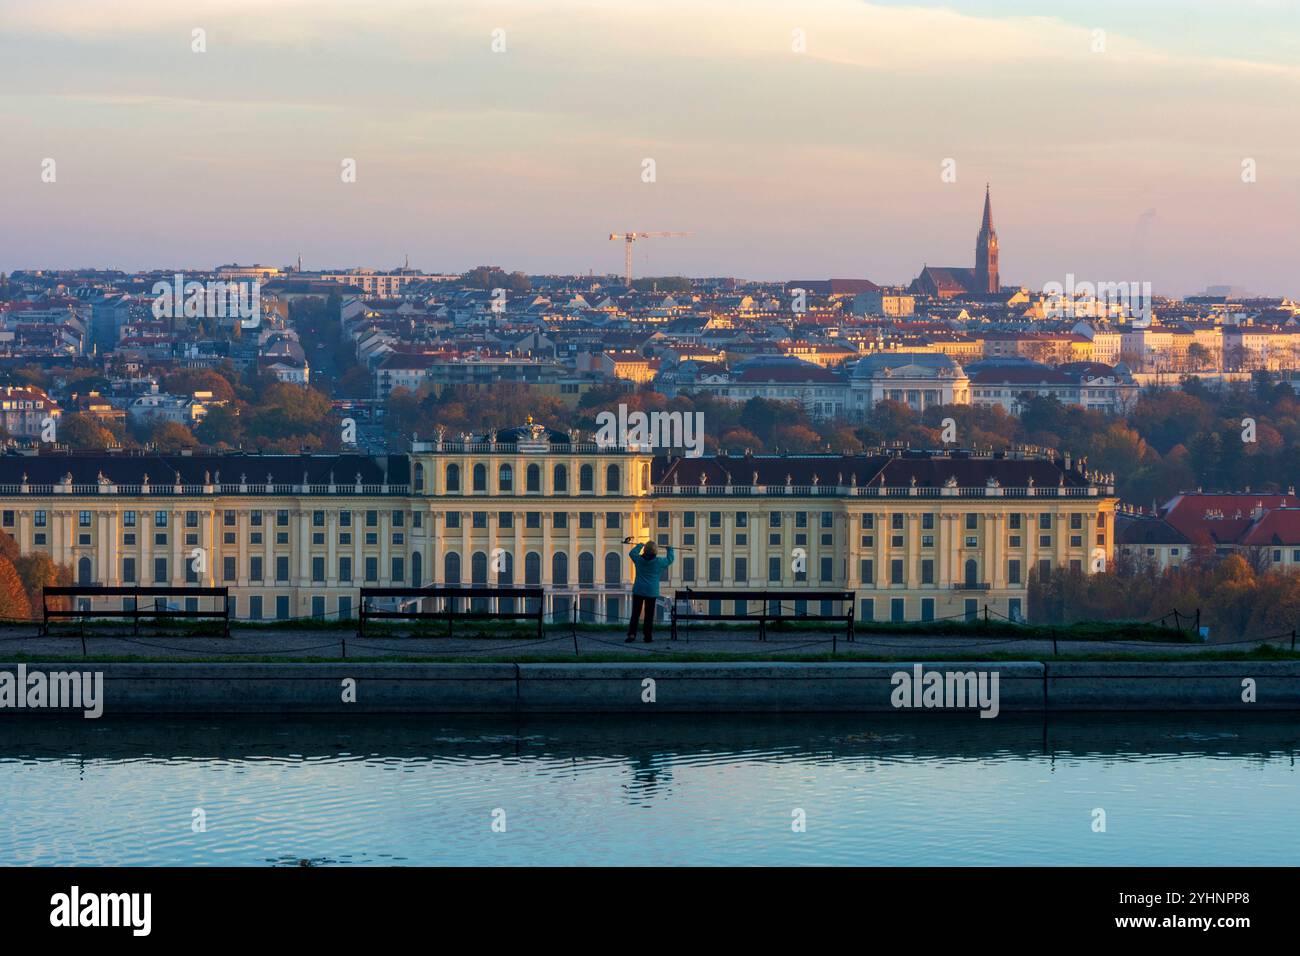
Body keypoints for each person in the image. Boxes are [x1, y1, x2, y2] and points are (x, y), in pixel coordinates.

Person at [624, 536, 674, 643]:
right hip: (651, 591)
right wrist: (669, 549)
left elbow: (632, 553)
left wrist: (640, 546)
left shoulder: (638, 560)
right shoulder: (659, 562)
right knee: (649, 615)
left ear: (645, 550)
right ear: (655, 551)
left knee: (635, 614)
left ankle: (632, 634)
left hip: (639, 589)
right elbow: (670, 559)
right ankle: (647, 636)